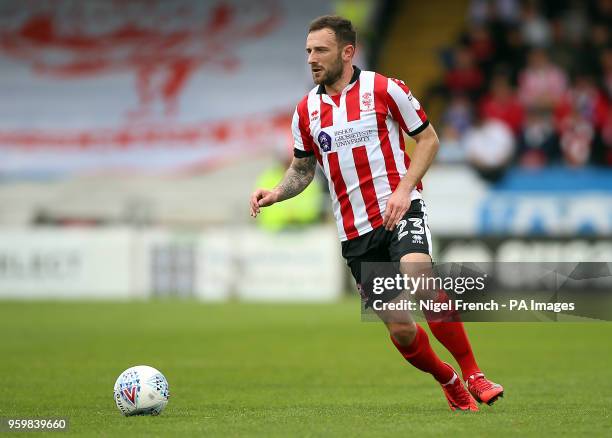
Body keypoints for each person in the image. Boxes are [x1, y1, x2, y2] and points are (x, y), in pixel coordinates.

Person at [249, 15, 503, 411]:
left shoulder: (384, 89)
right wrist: (276, 193)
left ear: (347, 52)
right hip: (355, 232)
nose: (312, 59)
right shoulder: (305, 111)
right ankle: (448, 379)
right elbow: (302, 169)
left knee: (421, 276)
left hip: (399, 209)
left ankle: (473, 372)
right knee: (402, 329)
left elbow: (428, 140)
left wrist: (404, 190)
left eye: (321, 50)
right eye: (308, 51)